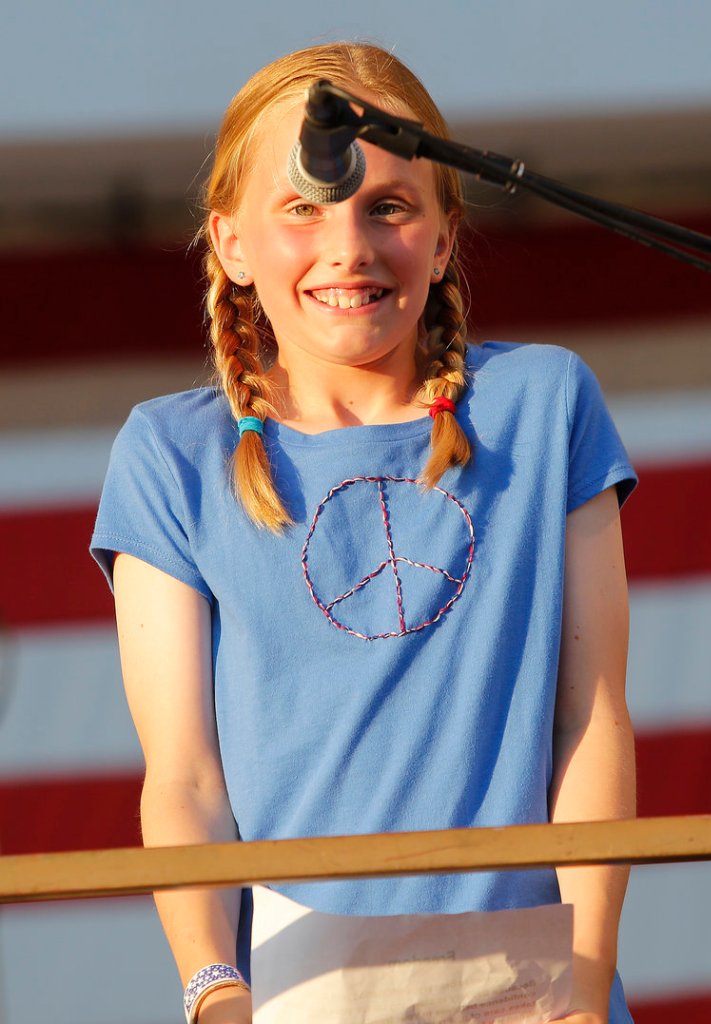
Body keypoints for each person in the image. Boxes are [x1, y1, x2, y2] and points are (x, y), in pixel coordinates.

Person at [91, 41, 637, 1024]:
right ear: (230, 244)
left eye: (387, 205)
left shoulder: (543, 402)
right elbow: (184, 777)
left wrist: (585, 986)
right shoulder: (167, 453)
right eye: (301, 208)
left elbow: (587, 720)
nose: (347, 245)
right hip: (300, 994)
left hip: (534, 988)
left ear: (440, 234)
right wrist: (216, 990)